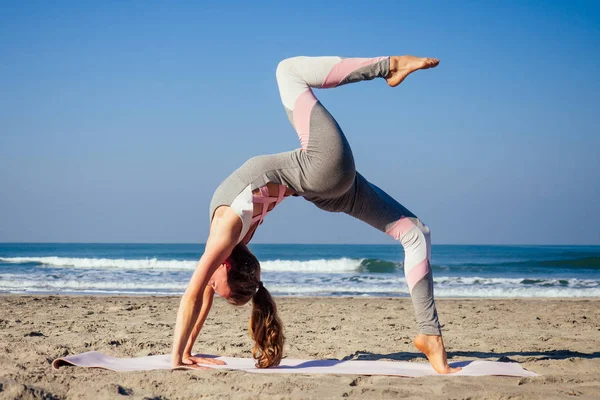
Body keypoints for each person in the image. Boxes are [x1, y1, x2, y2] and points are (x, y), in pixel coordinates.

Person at [170, 55, 461, 374]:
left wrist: (180, 357)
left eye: (217, 289)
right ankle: (388, 67)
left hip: (320, 180)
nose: (211, 289)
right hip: (321, 177)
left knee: (416, 234)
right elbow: (200, 293)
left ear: (224, 265)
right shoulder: (228, 238)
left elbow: (196, 294)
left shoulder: (227, 232)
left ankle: (430, 335)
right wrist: (184, 353)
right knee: (286, 71)